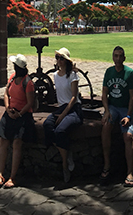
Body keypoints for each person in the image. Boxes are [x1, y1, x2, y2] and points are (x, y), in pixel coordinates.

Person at [0, 54, 35, 189]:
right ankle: (0, 175)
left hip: (22, 116)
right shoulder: (12, 78)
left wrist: (19, 113)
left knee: (17, 143)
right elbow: (6, 93)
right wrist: (7, 108)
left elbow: (30, 102)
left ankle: (13, 177)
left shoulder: (28, 83)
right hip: (11, 113)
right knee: (3, 141)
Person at [43, 47, 82, 183]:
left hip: (73, 108)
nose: (58, 60)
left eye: (61, 58)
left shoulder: (72, 75)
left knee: (60, 130)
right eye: (57, 58)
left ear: (66, 61)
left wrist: (63, 114)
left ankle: (65, 166)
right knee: (47, 125)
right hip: (61, 108)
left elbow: (73, 97)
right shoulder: (55, 76)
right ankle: (65, 151)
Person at [101, 45, 133, 187]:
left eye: (120, 56)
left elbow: (132, 97)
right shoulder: (109, 72)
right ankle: (106, 164)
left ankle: (130, 172)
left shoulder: (129, 73)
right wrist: (107, 111)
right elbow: (104, 94)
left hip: (125, 108)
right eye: (115, 56)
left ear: (124, 58)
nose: (117, 59)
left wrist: (128, 115)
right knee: (105, 127)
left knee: (128, 136)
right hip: (113, 107)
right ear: (112, 57)